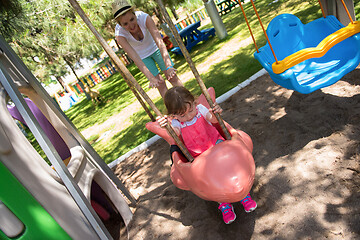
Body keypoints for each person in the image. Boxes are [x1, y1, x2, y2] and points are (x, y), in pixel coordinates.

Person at [156, 86, 257, 224]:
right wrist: (166, 127)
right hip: (199, 156)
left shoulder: (200, 111)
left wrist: (216, 113)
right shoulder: (176, 123)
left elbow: (213, 119)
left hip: (216, 144)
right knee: (212, 178)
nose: (188, 116)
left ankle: (244, 195)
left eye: (190, 110)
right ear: (173, 115)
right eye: (182, 115)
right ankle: (224, 203)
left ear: (194, 103)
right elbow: (175, 134)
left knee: (227, 169)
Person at [112, 0, 183, 98]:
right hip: (142, 57)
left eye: (132, 19)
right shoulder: (120, 35)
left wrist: (169, 66)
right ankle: (173, 110)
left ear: (135, 15)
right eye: (125, 24)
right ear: (120, 25)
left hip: (155, 48)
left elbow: (159, 41)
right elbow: (135, 57)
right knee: (160, 84)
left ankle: (190, 102)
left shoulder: (144, 18)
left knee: (172, 77)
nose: (131, 25)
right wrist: (150, 78)